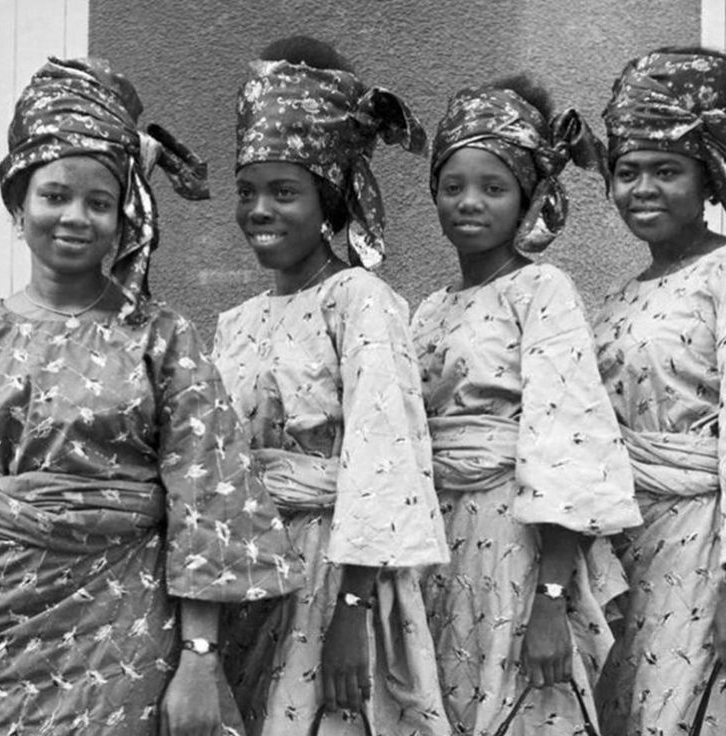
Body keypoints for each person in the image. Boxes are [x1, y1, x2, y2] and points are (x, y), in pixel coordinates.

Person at [0, 56, 304, 736]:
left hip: (129, 620)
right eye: (54, 196)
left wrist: (199, 658)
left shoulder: (162, 338)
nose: (75, 217)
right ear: (18, 200)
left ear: (124, 214)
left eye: (99, 202)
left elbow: (208, 495)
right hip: (6, 620)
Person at [212, 36, 451, 736]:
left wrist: (352, 612)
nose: (260, 210)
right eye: (247, 191)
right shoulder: (234, 321)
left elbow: (385, 456)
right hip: (253, 572)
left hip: (334, 576)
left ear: (330, 197)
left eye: (284, 191)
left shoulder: (360, 301)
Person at [411, 77, 643, 735]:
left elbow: (565, 440)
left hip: (518, 544)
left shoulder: (542, 290)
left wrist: (550, 598)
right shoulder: (428, 310)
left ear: (527, 199)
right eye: (453, 186)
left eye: (493, 188)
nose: (470, 203)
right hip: (439, 548)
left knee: (527, 709)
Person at [594, 47, 726, 735]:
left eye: (666, 171)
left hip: (702, 544)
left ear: (708, 178)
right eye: (627, 172)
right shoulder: (614, 301)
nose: (642, 188)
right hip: (626, 542)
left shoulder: (722, 275)